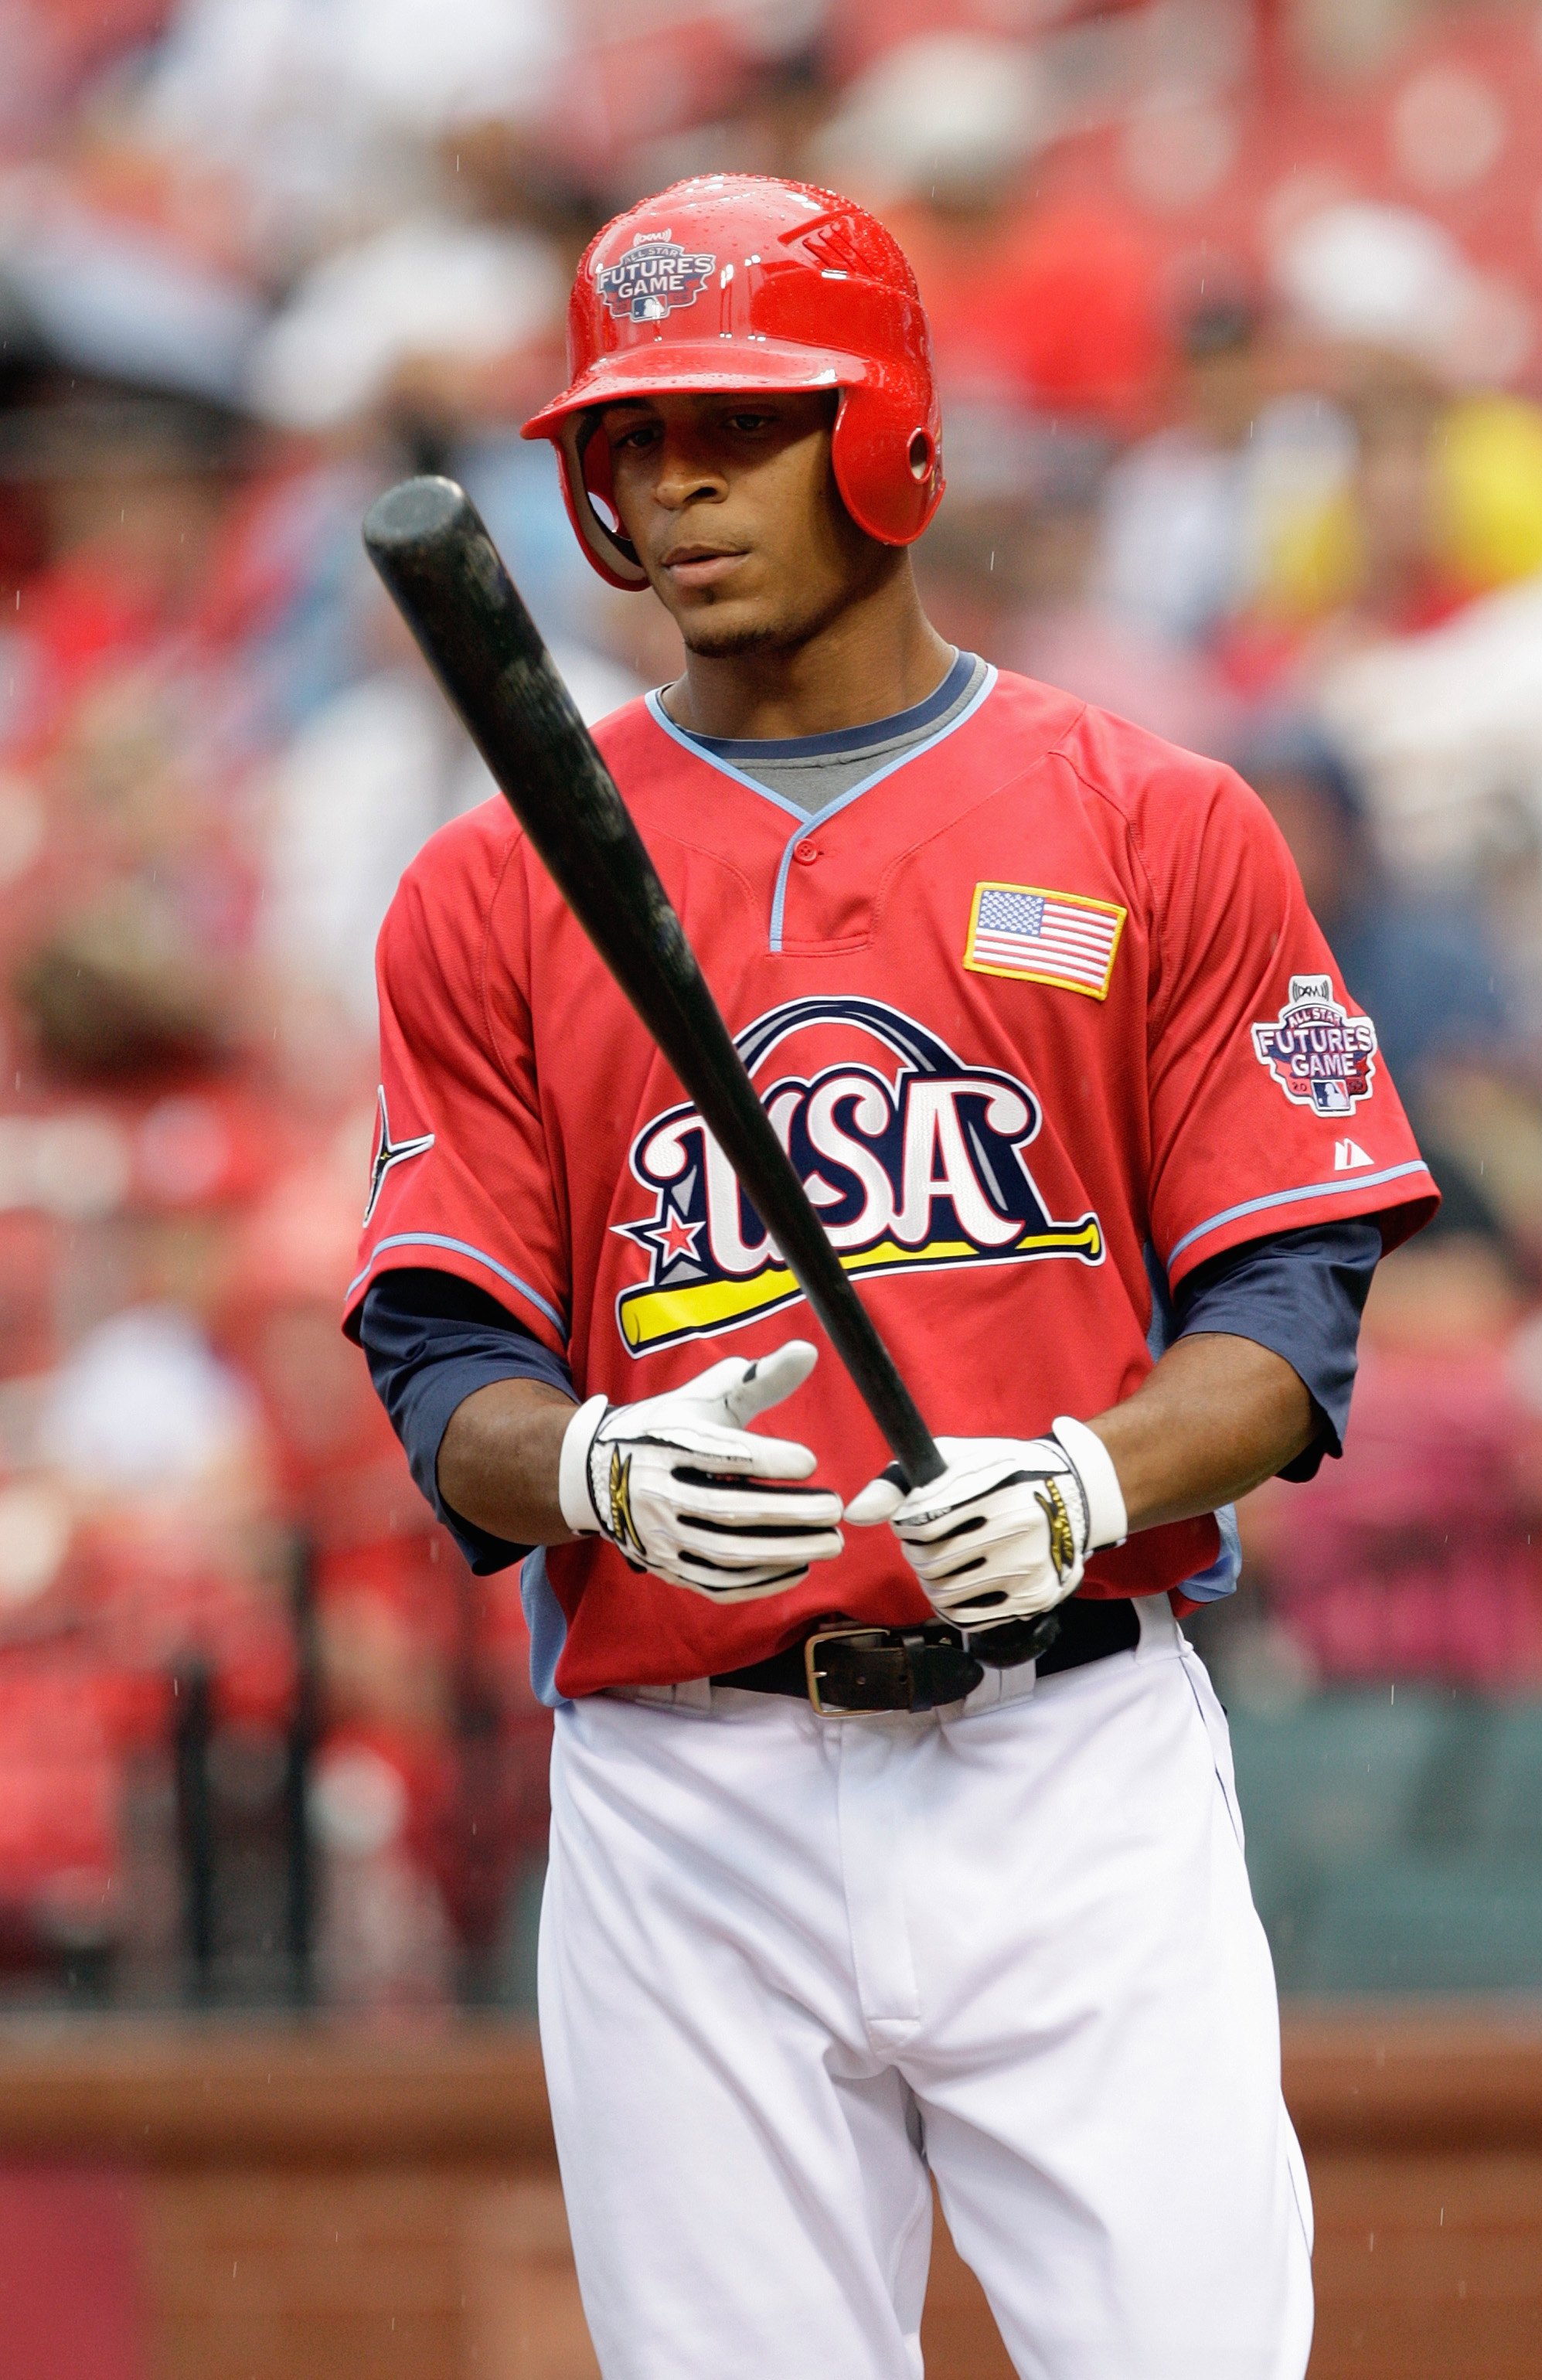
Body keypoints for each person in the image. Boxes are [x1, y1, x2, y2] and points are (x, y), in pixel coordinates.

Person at [345, 176, 1438, 2380]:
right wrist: (599, 1472)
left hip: (1071, 1757)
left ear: (887, 437)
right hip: (684, 1792)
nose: (677, 484)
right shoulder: (488, 887)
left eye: (735, 428)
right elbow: (440, 1349)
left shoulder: (1147, 816)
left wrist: (1074, 1474)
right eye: (634, 443)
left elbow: (1289, 1313)